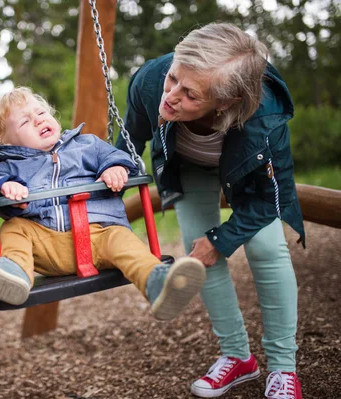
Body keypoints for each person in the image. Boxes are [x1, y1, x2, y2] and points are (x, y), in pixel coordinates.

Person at [119, 23, 305, 399]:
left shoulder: (265, 117)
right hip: (187, 167)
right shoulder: (152, 81)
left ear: (226, 102)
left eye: (190, 94)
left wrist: (222, 239)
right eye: (174, 79)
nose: (170, 96)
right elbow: (126, 143)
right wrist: (112, 176)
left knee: (266, 249)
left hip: (250, 181)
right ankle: (237, 357)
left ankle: (284, 368)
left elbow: (268, 199)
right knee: (198, 250)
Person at [0, 86, 206, 322]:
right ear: (8, 144)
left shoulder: (87, 145)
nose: (38, 120)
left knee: (123, 241)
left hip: (100, 235)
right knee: (14, 228)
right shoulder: (9, 166)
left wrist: (115, 168)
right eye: (24, 122)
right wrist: (6, 187)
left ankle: (158, 284)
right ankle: (15, 274)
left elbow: (114, 156)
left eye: (41, 113)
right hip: (48, 245)